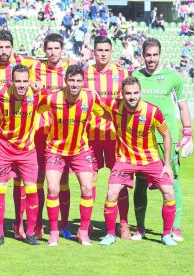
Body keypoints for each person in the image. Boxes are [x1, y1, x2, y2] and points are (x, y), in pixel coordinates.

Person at [99, 76, 177, 246]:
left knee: (169, 192)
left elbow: (166, 134)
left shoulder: (152, 111)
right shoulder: (114, 105)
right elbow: (93, 99)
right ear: (122, 93)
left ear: (140, 92)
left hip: (151, 160)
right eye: (128, 93)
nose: (132, 97)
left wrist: (167, 164)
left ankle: (166, 235)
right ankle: (111, 234)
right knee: (112, 193)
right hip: (125, 159)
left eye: (135, 93)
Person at [0, 30, 39, 240]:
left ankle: (19, 225)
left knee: (23, 185)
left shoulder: (23, 64)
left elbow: (46, 65)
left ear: (12, 47)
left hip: (20, 134)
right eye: (0, 47)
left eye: (7, 47)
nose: (3, 51)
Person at [132, 38, 193, 242]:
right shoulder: (135, 76)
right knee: (140, 184)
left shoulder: (173, 77)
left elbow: (183, 106)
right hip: (141, 140)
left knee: (172, 182)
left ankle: (175, 228)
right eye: (148, 55)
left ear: (160, 54)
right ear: (143, 55)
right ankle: (139, 227)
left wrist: (188, 132)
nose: (151, 59)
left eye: (155, 54)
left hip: (166, 138)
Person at [38, 65, 106, 246]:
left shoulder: (90, 98)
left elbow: (107, 113)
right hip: (55, 150)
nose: (75, 84)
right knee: (53, 189)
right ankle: (53, 232)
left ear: (83, 82)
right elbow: (35, 111)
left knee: (87, 188)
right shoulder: (52, 99)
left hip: (80, 150)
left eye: (78, 81)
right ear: (65, 81)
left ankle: (83, 232)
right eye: (71, 80)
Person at [0, 65, 43, 246]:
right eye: (17, 81)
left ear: (29, 81)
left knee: (31, 189)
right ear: (11, 81)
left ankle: (30, 233)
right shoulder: (0, 92)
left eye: (24, 81)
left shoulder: (37, 94)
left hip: (27, 150)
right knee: (0, 189)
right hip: (3, 148)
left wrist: (39, 86)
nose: (21, 85)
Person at [83, 36, 130, 239]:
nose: (103, 53)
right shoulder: (84, 73)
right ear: (93, 52)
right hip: (91, 136)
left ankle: (124, 224)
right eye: (99, 50)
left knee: (119, 179)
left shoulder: (122, 73)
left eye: (106, 50)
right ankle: (88, 223)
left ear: (112, 52)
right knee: (89, 180)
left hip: (115, 137)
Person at [31, 33, 76, 239]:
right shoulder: (35, 69)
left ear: (62, 49)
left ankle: (64, 225)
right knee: (40, 180)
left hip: (63, 133)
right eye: (49, 49)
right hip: (40, 131)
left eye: (56, 48)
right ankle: (38, 224)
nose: (52, 52)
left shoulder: (70, 68)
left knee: (63, 181)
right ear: (44, 50)